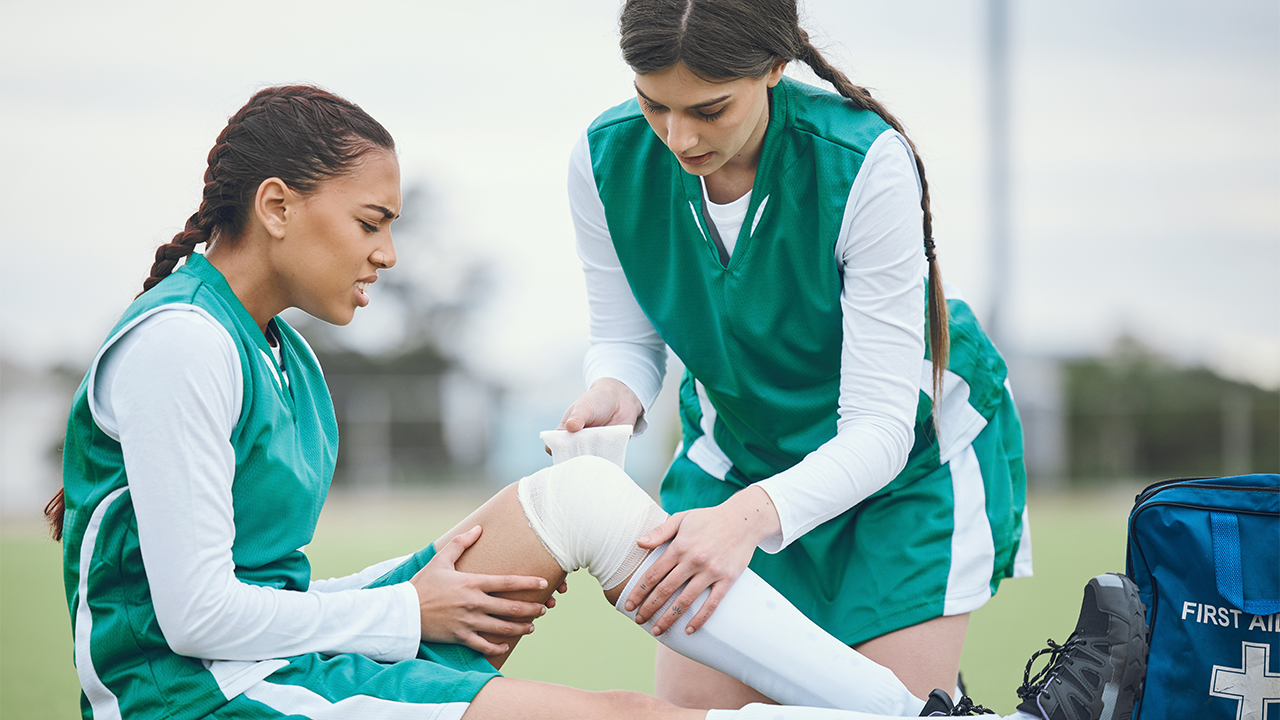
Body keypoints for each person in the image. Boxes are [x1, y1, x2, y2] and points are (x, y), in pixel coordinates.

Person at [47, 84, 1142, 720]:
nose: (386, 251)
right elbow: (192, 626)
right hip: (206, 696)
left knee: (579, 498)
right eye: (369, 222)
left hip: (278, 643)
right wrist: (406, 612)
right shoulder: (188, 344)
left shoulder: (258, 344)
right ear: (277, 208)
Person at [558, 0, 1032, 708]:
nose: (678, 137)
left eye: (710, 109)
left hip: (903, 477)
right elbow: (627, 340)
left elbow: (879, 429)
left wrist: (745, 522)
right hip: (740, 461)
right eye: (654, 104)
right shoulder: (605, 158)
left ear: (776, 67)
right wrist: (614, 392)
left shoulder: (863, 160)